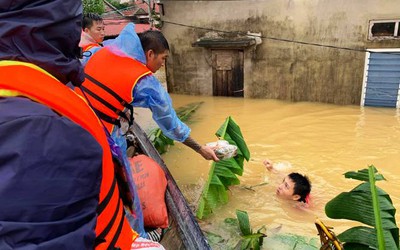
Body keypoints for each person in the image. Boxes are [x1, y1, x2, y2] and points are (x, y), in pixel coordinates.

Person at [0, 1, 163, 249]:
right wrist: (201, 148)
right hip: (107, 138)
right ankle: (137, 231)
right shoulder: (38, 131)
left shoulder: (94, 58)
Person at [77, 23, 219, 162]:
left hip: (74, 119)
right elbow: (171, 123)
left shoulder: (102, 51)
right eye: (163, 58)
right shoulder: (145, 82)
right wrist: (200, 148)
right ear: (150, 54)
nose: (163, 64)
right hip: (101, 134)